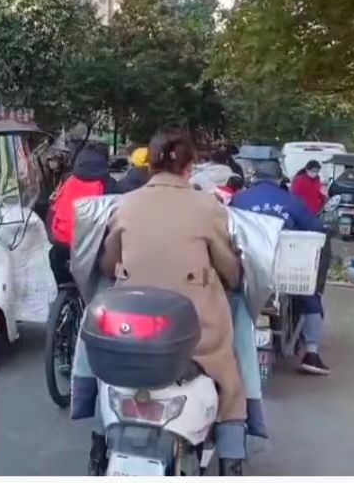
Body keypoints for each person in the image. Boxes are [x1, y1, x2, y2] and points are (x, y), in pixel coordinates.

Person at [100, 126, 247, 475]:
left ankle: (95, 434)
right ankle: (232, 453)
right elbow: (229, 269)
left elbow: (107, 263)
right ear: (190, 166)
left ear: (149, 164)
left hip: (131, 330)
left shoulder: (125, 204)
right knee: (231, 377)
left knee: (99, 361)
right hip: (194, 335)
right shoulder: (207, 206)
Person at [231, 161, 332, 376]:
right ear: (279, 179)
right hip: (284, 271)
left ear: (254, 178)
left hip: (247, 269)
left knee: (230, 296)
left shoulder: (239, 199)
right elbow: (316, 229)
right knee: (309, 295)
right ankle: (311, 353)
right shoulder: (292, 201)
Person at [48, 146, 119, 286]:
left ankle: (64, 291)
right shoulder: (109, 185)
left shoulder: (67, 180)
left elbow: (53, 209)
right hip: (90, 248)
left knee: (55, 259)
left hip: (61, 244)